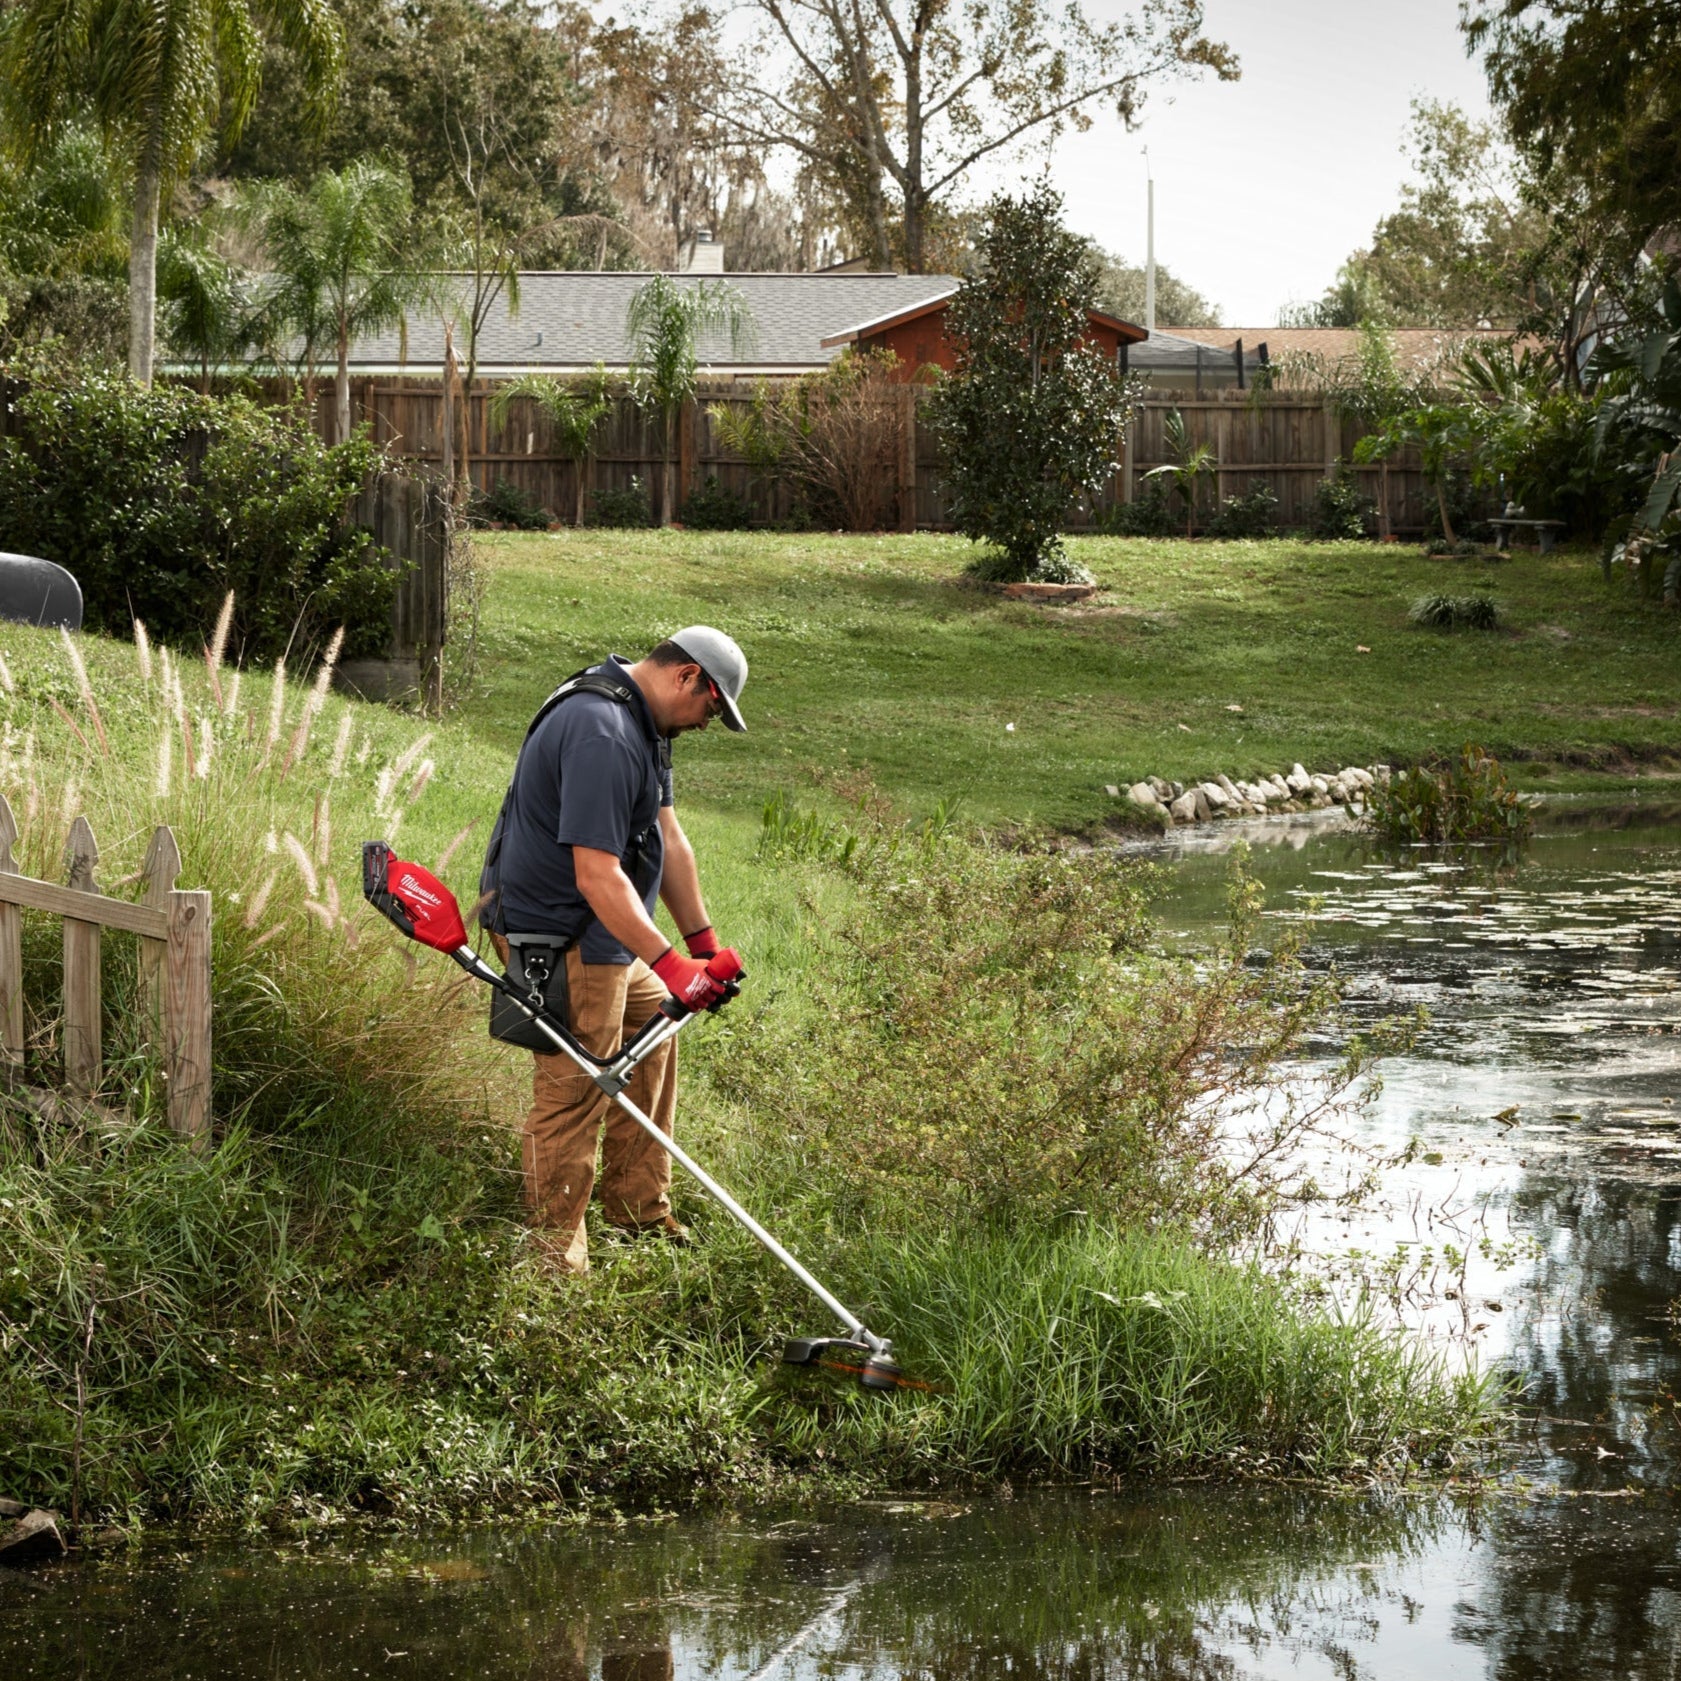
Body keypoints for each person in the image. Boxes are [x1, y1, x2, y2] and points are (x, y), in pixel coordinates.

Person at [481, 627, 748, 1274]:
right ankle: (552, 1261)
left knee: (656, 1034)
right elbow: (596, 875)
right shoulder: (603, 730)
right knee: (574, 1090)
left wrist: (701, 949)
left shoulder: (641, 719)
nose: (707, 722)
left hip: (608, 933)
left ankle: (636, 1209)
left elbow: (669, 837)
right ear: (687, 675)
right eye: (711, 707)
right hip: (565, 934)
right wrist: (670, 963)